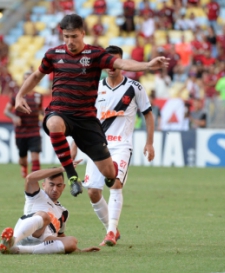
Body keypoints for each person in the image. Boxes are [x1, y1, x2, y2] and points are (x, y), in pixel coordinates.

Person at [14, 14, 168, 197]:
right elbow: (36, 76)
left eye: (74, 36)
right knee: (54, 123)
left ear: (83, 33)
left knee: (109, 174)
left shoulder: (95, 54)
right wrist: (20, 95)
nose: (70, 41)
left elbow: (121, 63)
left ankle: (110, 175)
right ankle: (72, 177)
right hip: (60, 112)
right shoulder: (53, 54)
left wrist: (148, 65)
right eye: (66, 37)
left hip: (86, 120)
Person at [71, 46, 155, 246]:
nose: (111, 66)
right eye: (107, 62)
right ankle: (113, 229)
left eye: (115, 62)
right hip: (97, 146)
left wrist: (149, 142)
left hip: (121, 146)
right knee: (93, 192)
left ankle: (109, 232)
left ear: (122, 63)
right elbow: (84, 121)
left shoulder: (135, 88)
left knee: (115, 183)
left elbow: (148, 114)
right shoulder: (94, 88)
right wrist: (74, 148)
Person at [0, 163, 100, 255]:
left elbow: (60, 235)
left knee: (72, 241)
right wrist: (61, 169)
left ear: (63, 187)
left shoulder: (64, 212)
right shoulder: (36, 195)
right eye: (51, 185)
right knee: (44, 217)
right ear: (43, 185)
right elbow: (30, 178)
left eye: (59, 185)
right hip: (26, 235)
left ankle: (17, 250)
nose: (55, 189)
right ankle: (13, 241)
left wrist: (78, 250)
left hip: (44, 242)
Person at [4, 72, 43, 178]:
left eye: (29, 79)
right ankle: (24, 167)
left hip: (34, 130)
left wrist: (45, 116)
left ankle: (34, 180)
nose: (27, 81)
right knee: (23, 159)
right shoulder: (17, 96)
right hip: (21, 132)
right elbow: (6, 111)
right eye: (25, 79)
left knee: (35, 156)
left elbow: (40, 110)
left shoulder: (39, 96)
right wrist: (14, 117)